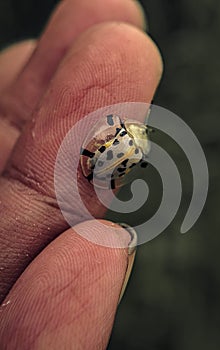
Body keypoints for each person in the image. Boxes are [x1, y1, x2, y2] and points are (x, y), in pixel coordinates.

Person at [0, 0, 162, 348]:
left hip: (101, 161)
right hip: (102, 165)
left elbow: (110, 135)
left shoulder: (123, 137)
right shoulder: (132, 145)